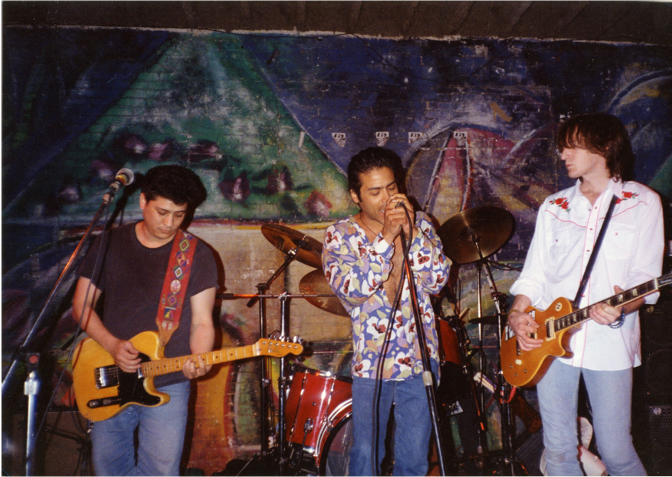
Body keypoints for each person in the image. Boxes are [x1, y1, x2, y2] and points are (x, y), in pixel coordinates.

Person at [508, 113, 664, 476]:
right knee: (559, 449)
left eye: (572, 145)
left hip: (610, 342)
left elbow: (646, 278)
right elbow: (534, 275)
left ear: (603, 147)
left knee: (616, 450)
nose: (563, 153)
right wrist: (517, 314)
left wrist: (623, 304)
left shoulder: (642, 202)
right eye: (563, 145)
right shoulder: (555, 207)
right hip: (549, 340)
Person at [72, 165, 219, 477]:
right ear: (142, 202)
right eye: (162, 212)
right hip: (109, 374)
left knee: (161, 472)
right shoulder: (109, 243)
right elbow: (81, 306)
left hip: (169, 378)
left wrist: (200, 358)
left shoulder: (197, 255)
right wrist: (111, 345)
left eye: (179, 215)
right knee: (108, 470)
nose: (170, 223)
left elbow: (203, 322)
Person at [322, 147, 450, 476]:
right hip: (372, 363)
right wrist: (386, 239)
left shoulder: (421, 224)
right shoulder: (340, 235)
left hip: (420, 358)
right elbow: (351, 290)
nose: (386, 198)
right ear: (355, 195)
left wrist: (410, 232)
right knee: (365, 456)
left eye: (392, 188)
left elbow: (437, 280)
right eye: (375, 191)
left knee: (415, 458)